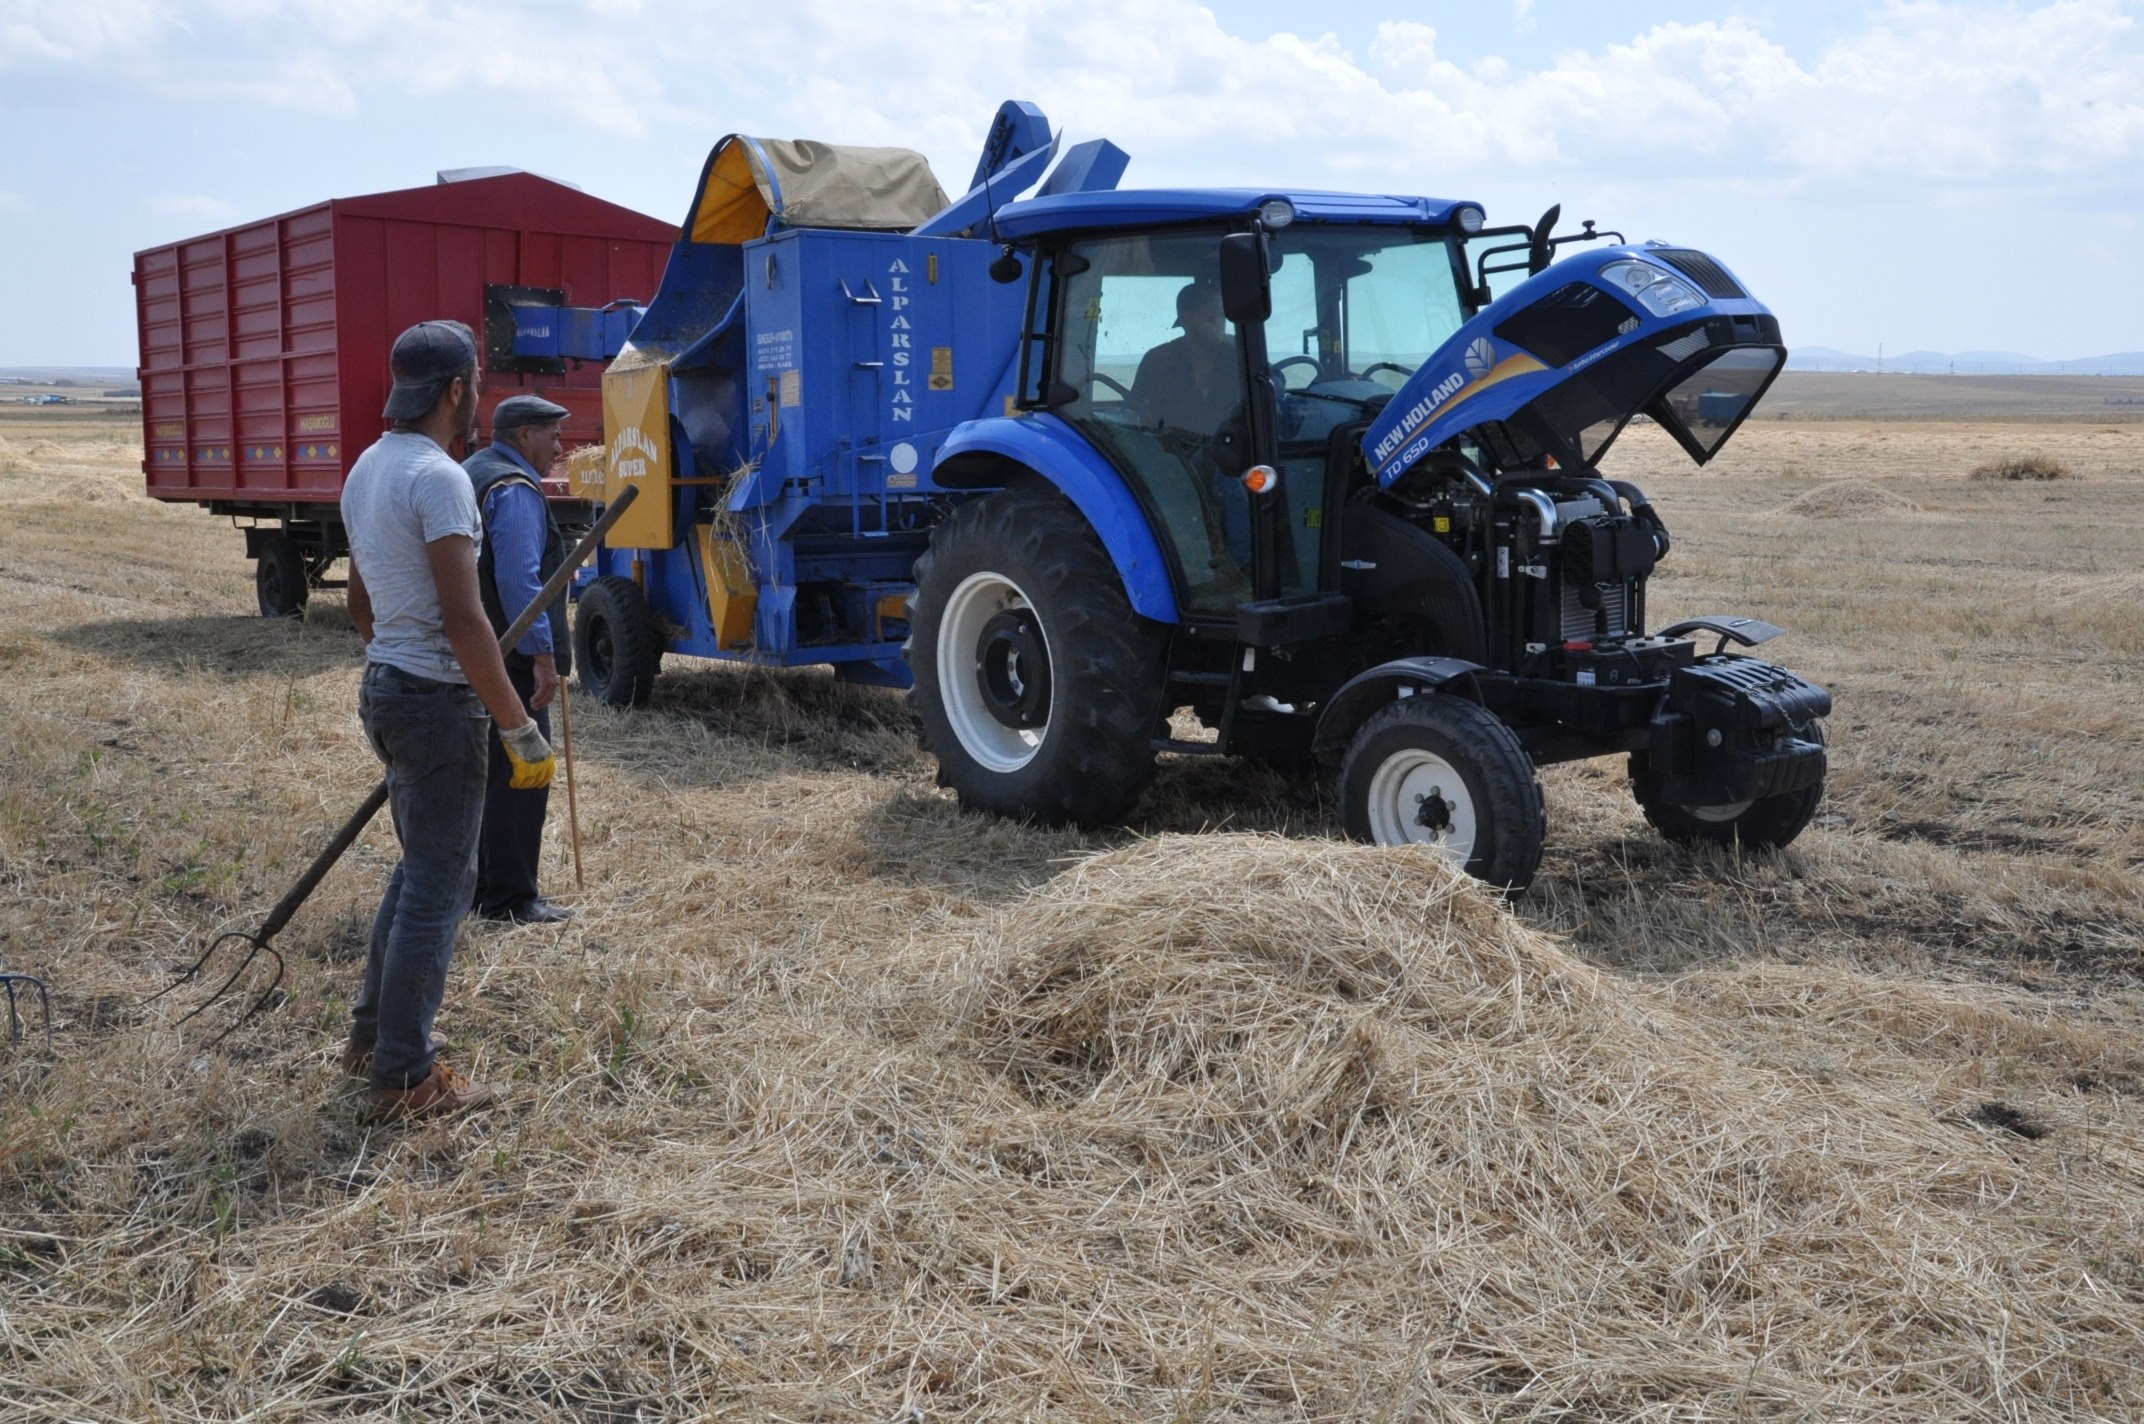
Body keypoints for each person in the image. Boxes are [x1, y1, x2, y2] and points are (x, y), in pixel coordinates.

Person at [339, 320, 556, 1123]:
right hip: (433, 704)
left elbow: (362, 603)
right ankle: (404, 1078)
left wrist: (398, 661)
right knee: (441, 884)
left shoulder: (367, 467)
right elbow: (467, 622)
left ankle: (371, 1037)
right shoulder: (441, 478)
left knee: (418, 870)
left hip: (386, 689)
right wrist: (516, 728)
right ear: (459, 389)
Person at [464, 394, 575, 925]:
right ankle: (509, 899)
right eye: (552, 436)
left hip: (471, 650)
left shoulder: (471, 472)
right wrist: (543, 656)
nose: (560, 446)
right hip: (508, 659)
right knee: (523, 771)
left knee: (482, 775)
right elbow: (519, 583)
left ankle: (478, 887)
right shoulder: (514, 489)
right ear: (524, 435)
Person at [1130, 281, 1238, 434]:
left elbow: (1270, 383)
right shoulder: (1158, 360)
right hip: (1171, 452)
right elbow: (1134, 410)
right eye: (1211, 318)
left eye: (1223, 317)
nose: (1220, 325)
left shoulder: (1238, 354)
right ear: (1187, 321)